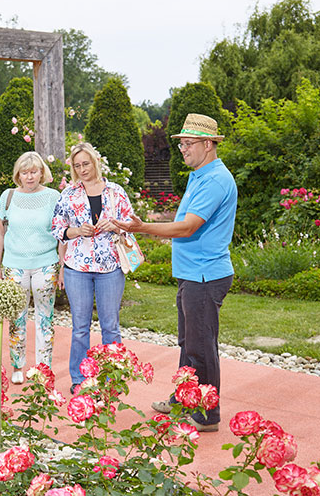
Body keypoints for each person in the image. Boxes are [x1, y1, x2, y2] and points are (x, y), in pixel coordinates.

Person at [114, 113, 237, 432]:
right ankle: (185, 398)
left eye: (188, 143)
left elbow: (187, 227)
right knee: (189, 341)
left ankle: (208, 413)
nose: (182, 148)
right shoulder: (200, 175)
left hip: (206, 275)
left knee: (201, 345)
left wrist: (142, 227)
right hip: (193, 274)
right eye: (181, 143)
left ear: (208, 144)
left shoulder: (216, 179)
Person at [51, 143, 135, 395]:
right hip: (77, 266)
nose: (82, 169)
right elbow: (56, 228)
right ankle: (79, 378)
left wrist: (116, 224)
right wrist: (76, 231)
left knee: (110, 325)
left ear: (95, 162)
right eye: (77, 166)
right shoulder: (68, 194)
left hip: (110, 266)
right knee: (80, 327)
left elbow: (132, 222)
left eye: (85, 163)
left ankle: (112, 378)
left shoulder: (116, 191)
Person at [0, 152, 60, 384]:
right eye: (25, 172)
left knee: (45, 318)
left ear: (42, 172)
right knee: (17, 318)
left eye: (34, 172)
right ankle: (17, 365)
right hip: (14, 265)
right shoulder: (8, 196)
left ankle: (43, 368)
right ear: (18, 175)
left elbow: (61, 233)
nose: (29, 177)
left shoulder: (53, 197)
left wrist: (60, 268)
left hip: (46, 264)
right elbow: (1, 232)